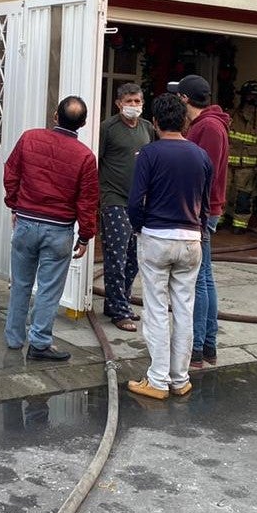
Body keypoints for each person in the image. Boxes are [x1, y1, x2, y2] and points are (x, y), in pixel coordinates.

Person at [126, 93, 214, 399]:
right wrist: (200, 230)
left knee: (156, 310)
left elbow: (135, 201)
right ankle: (180, 378)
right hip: (192, 239)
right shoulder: (201, 155)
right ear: (185, 121)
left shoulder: (149, 154)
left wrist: (139, 227)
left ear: (155, 122)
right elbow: (207, 202)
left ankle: (158, 380)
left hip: (157, 237)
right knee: (184, 309)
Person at [3, 96, 99, 361]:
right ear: (83, 123)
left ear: (56, 115)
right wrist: (85, 236)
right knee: (49, 289)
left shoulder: (29, 138)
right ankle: (40, 342)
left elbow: (11, 173)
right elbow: (87, 200)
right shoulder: (85, 157)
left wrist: (15, 206)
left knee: (20, 283)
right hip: (58, 230)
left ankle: (14, 338)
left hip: (25, 222)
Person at [170, 74, 230, 369]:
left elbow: (204, 174)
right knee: (204, 276)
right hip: (202, 209)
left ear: (185, 99)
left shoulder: (208, 127)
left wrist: (194, 211)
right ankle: (207, 346)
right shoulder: (206, 124)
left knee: (200, 280)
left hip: (201, 210)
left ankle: (198, 347)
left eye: (177, 96)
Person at [97, 83, 158, 332]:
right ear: (119, 103)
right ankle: (120, 311)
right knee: (116, 255)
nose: (134, 106)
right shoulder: (108, 129)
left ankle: (117, 301)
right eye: (129, 101)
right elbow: (97, 161)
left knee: (134, 256)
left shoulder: (147, 129)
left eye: (138, 101)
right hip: (113, 199)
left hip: (138, 202)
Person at [226, 80, 257, 233]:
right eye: (250, 96)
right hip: (227, 165)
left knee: (244, 198)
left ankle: (240, 225)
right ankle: (217, 221)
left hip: (248, 167)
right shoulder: (230, 116)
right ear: (243, 97)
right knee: (220, 193)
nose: (253, 100)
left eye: (256, 97)